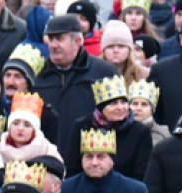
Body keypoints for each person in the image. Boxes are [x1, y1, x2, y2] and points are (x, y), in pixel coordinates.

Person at [34, 14, 119, 167]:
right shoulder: (37, 75)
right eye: (50, 39)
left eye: (60, 39)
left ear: (78, 41)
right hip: (47, 164)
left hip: (92, 162)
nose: (53, 45)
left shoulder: (103, 73)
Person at [65, 74, 153, 180]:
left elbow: (141, 173)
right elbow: (72, 167)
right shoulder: (83, 126)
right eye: (113, 103)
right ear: (102, 107)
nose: (120, 108)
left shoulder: (140, 132)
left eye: (124, 102)